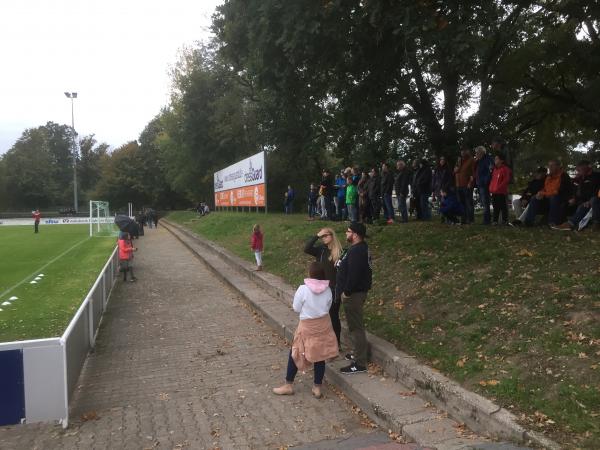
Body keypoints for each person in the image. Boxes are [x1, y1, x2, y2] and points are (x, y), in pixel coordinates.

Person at [272, 262, 339, 398]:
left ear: (310, 274)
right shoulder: (328, 290)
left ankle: (288, 385)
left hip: (307, 326)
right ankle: (317, 387)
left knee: (296, 352)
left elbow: (296, 308)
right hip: (324, 325)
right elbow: (328, 306)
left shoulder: (303, 289)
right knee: (320, 354)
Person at [336, 222, 372, 374]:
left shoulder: (357, 251)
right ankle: (358, 353)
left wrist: (347, 292)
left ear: (355, 234)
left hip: (354, 294)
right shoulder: (360, 248)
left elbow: (354, 275)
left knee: (356, 328)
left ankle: (360, 363)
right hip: (356, 293)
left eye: (348, 231)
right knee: (354, 326)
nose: (346, 233)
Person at [304, 228, 343, 347]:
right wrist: (317, 235)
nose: (324, 238)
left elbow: (342, 273)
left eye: (326, 235)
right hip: (320, 288)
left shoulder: (340, 252)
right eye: (323, 236)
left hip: (333, 289)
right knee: (321, 316)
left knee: (333, 316)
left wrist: (339, 290)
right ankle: (323, 341)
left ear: (332, 236)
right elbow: (307, 248)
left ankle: (336, 343)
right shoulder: (321, 250)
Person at [523, 160, 573, 227]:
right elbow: (544, 188)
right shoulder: (548, 177)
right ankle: (528, 222)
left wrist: (545, 194)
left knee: (554, 198)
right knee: (534, 198)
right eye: (549, 166)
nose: (550, 168)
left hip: (559, 199)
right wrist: (540, 193)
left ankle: (552, 222)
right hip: (548, 198)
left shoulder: (564, 176)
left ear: (558, 167)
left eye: (552, 166)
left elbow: (559, 191)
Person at [553, 160, 600, 231]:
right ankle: (567, 223)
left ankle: (596, 224)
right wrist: (574, 198)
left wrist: (589, 200)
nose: (578, 171)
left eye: (580, 168)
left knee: (592, 201)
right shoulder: (581, 178)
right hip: (585, 201)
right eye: (577, 169)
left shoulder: (597, 176)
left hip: (595, 199)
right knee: (570, 203)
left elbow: (597, 191)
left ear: (587, 167)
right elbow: (577, 191)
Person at [474, 146, 495, 225]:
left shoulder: (487, 159)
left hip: (484, 184)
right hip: (480, 184)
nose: (476, 154)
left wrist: (485, 181)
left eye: (477, 153)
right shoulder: (480, 161)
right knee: (484, 202)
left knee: (485, 202)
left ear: (481, 152)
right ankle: (486, 219)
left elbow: (490, 171)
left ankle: (487, 220)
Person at [489, 154, 512, 225]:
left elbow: (506, 180)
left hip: (501, 192)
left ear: (501, 160)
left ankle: (505, 221)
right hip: (494, 191)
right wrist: (491, 188)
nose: (495, 160)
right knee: (495, 206)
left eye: (497, 159)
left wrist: (499, 187)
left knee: (503, 206)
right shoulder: (495, 169)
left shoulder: (505, 169)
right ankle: (495, 221)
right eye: (495, 159)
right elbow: (493, 180)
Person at [454, 148, 475, 224]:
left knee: (469, 202)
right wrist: (459, 164)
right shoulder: (459, 160)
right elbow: (455, 170)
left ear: (468, 151)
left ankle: (470, 220)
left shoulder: (471, 160)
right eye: (461, 151)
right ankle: (463, 219)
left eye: (464, 150)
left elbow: (473, 173)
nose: (463, 152)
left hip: (467, 185)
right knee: (461, 203)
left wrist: (470, 183)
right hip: (458, 184)